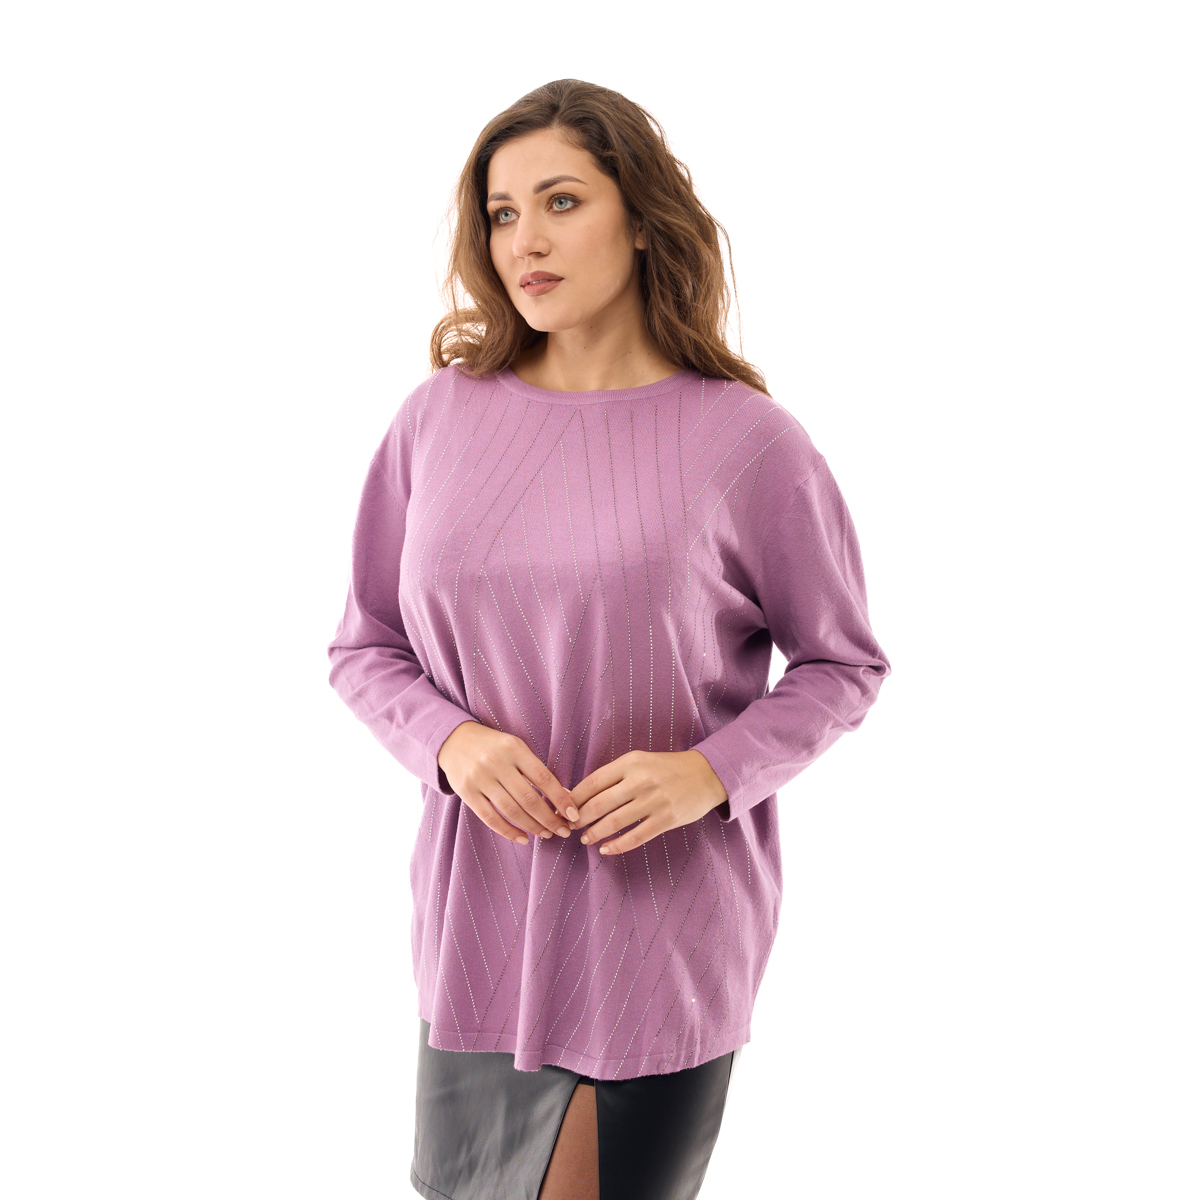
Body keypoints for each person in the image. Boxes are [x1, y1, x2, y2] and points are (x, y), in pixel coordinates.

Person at [327, 78, 892, 1200]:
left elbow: (843, 664)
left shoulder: (749, 442)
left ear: (639, 219)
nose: (524, 241)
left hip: (655, 937)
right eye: (502, 213)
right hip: (476, 934)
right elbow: (365, 645)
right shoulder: (436, 420)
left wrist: (709, 773)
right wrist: (453, 744)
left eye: (561, 201)